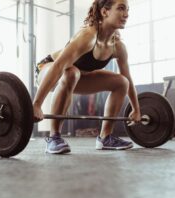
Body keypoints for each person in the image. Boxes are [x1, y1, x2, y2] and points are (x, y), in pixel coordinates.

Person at [33, 0, 141, 154]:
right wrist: (36, 104)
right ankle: (54, 137)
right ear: (105, 12)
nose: (126, 14)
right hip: (47, 69)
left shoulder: (118, 47)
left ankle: (105, 137)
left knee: (121, 82)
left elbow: (128, 79)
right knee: (71, 72)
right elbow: (58, 67)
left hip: (75, 77)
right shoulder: (88, 36)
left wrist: (136, 109)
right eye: (121, 8)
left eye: (127, 10)